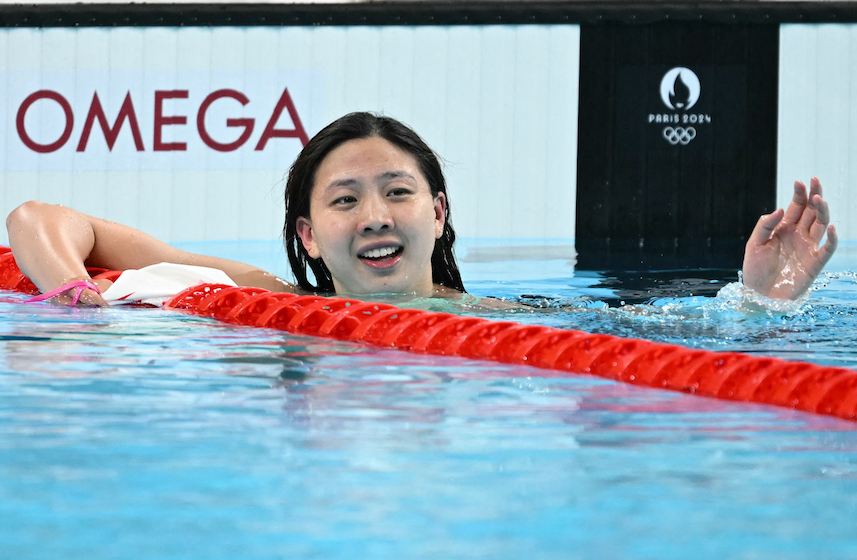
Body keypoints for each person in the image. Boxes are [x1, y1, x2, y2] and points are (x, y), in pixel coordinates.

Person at [5, 112, 838, 307]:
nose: (374, 215)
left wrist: (760, 301)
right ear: (308, 233)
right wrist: (74, 306)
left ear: (437, 213)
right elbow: (40, 219)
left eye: (397, 192)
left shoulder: (514, 319)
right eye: (344, 199)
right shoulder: (267, 300)